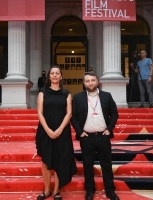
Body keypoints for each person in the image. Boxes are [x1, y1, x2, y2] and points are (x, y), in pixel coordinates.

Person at [71, 71, 119, 200]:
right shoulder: (78, 97)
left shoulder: (106, 96)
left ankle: (110, 191)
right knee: (87, 164)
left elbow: (114, 113)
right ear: (83, 82)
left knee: (106, 164)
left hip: (103, 136)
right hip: (87, 137)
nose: (90, 83)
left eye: (92, 80)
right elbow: (73, 117)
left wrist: (109, 129)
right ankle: (89, 190)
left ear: (97, 81)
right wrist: (80, 132)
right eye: (87, 81)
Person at [35, 65, 77, 200]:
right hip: (45, 130)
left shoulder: (67, 93)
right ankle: (47, 190)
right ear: (49, 76)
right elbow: (40, 113)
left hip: (62, 131)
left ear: (61, 76)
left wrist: (59, 130)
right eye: (52, 73)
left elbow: (69, 113)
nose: (54, 75)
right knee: (46, 161)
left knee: (60, 160)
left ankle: (56, 191)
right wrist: (48, 130)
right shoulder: (42, 92)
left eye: (57, 73)